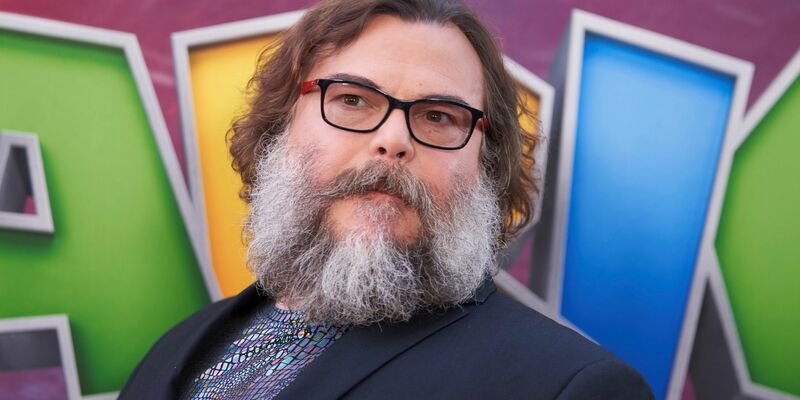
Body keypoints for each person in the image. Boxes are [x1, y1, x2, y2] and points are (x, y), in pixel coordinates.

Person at [121, 0, 654, 398]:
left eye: (439, 117)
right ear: (279, 127)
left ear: (487, 167)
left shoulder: (569, 387)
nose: (394, 139)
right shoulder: (178, 345)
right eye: (352, 99)